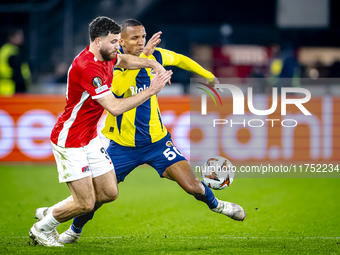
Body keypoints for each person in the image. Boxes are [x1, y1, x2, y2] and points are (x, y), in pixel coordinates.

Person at [36, 19, 245, 244]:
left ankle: (218, 205)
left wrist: (208, 75)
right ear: (120, 42)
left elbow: (181, 59)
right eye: (134, 38)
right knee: (98, 196)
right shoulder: (107, 67)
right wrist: (147, 65)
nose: (141, 41)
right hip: (122, 145)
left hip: (156, 142)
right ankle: (73, 230)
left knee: (191, 184)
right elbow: (116, 95)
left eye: (143, 36)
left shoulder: (152, 56)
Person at [29, 16, 172, 247]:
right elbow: (114, 108)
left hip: (90, 138)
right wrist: (151, 90)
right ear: (98, 41)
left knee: (108, 192)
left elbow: (124, 60)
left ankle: (54, 211)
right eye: (114, 41)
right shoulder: (88, 68)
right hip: (71, 140)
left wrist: (152, 63)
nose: (118, 46)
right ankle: (41, 229)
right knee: (85, 203)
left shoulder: (106, 55)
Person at [0, 28, 30, 96]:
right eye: (19, 35)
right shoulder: (9, 51)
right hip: (9, 88)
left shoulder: (14, 50)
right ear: (11, 37)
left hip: (14, 86)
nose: (22, 38)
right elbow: (16, 72)